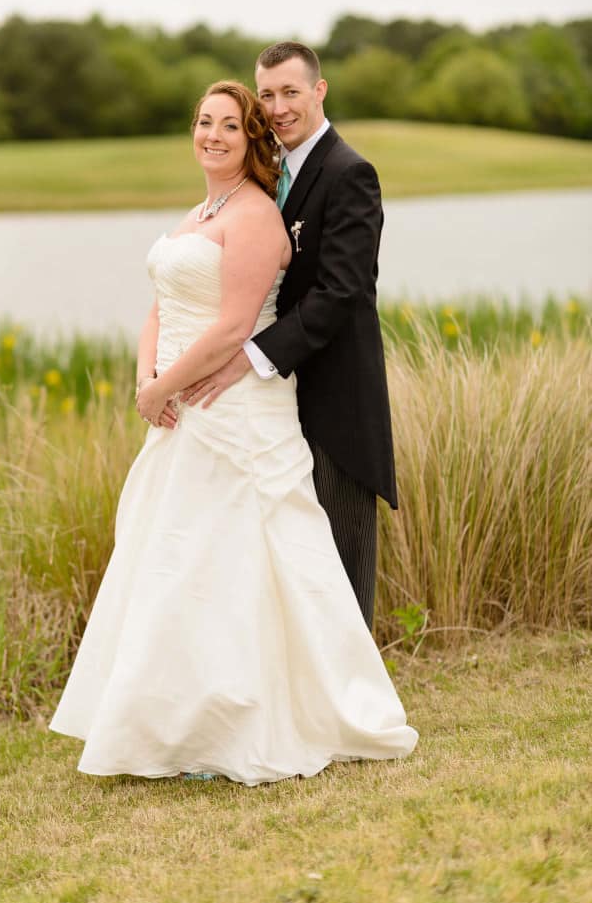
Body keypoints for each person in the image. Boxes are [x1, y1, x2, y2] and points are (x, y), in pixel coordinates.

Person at [47, 81, 416, 785]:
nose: (212, 134)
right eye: (203, 122)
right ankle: (171, 722)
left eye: (228, 125)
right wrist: (144, 379)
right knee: (175, 561)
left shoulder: (251, 217)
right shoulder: (197, 213)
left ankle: (250, 717)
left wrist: (164, 386)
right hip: (183, 407)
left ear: (252, 141)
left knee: (234, 559)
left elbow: (232, 325)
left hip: (234, 405)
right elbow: (161, 304)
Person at [182, 42, 394, 627]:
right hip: (275, 408)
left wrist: (249, 355)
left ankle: (358, 708)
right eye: (268, 94)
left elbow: (339, 293)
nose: (277, 107)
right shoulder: (270, 173)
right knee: (293, 563)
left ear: (319, 91)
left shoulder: (350, 173)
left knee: (341, 562)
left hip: (336, 403)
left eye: (291, 92)